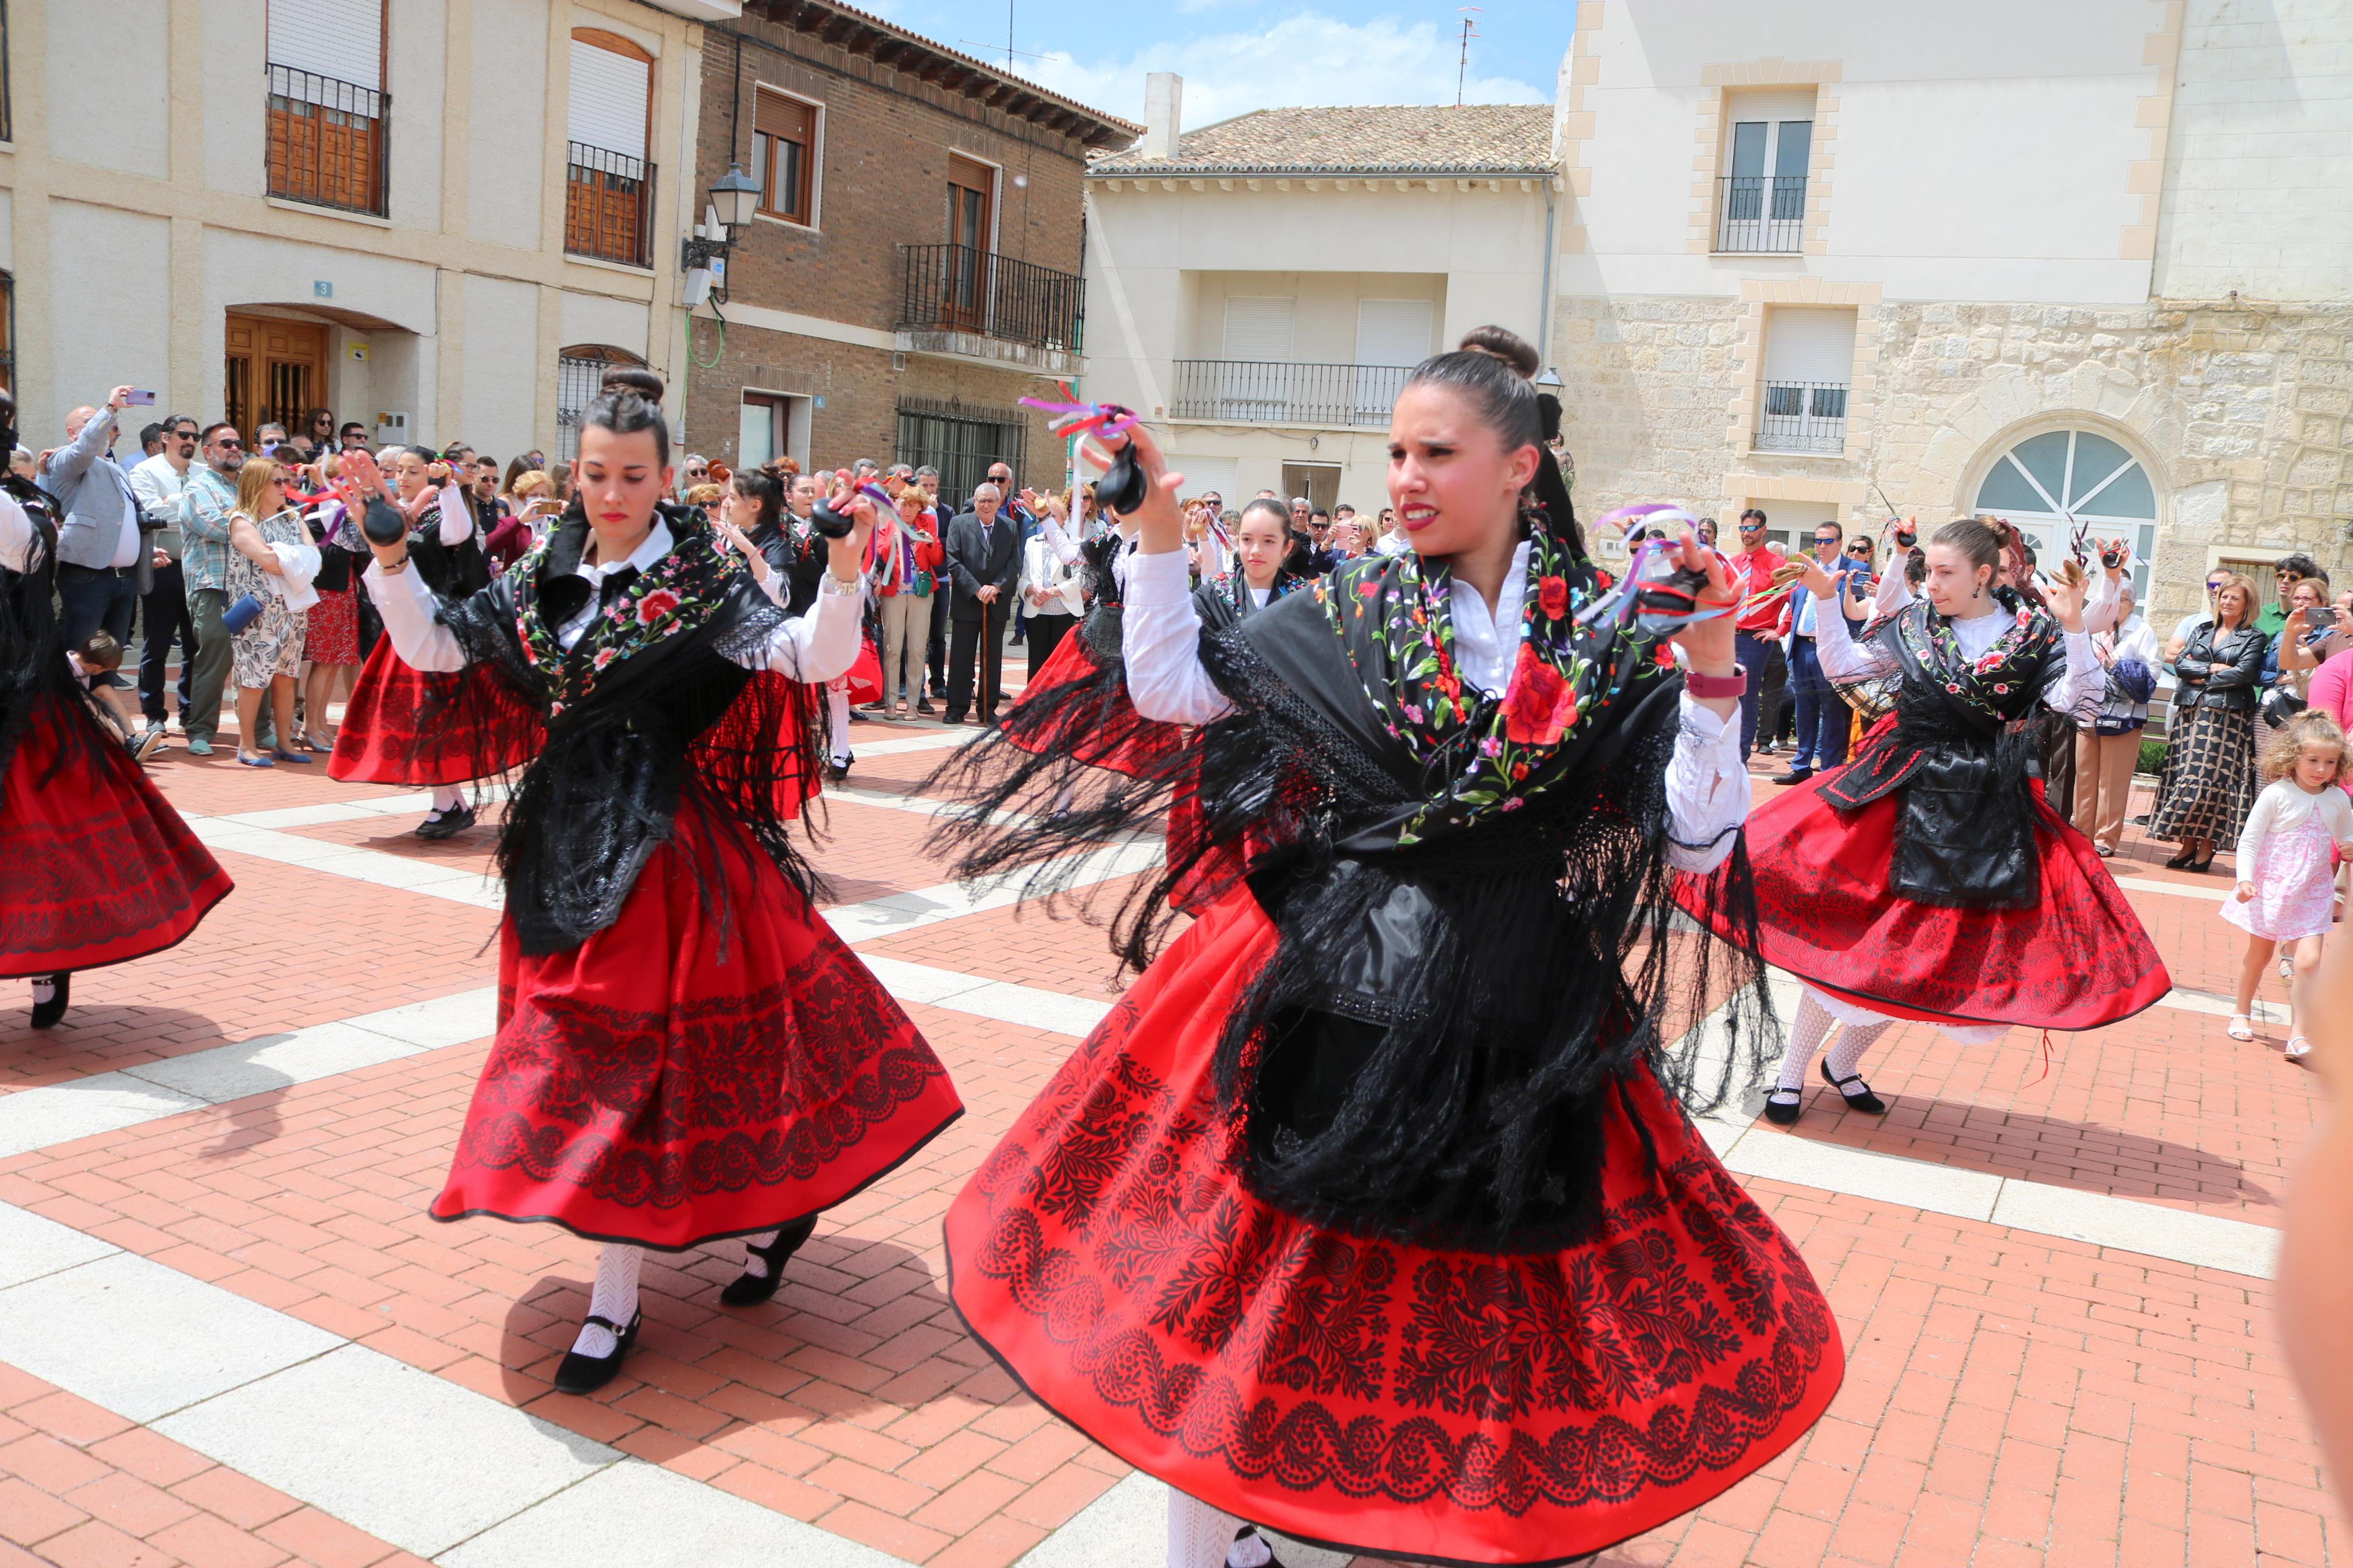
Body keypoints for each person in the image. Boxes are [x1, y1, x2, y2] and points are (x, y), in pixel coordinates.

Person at [935, 328, 1840, 1568]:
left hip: (1512, 1013)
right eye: (1394, 451)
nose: (1404, 476)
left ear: (1522, 465)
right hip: (1329, 985)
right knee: (1231, 1286)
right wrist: (1151, 524)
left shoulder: (1609, 635)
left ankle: (1373, 1514)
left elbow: (1691, 847)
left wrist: (1710, 668)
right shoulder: (1349, 605)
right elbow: (1170, 689)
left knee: (1455, 1314)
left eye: (1435, 452)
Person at [344, 386, 961, 1394]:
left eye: (634, 476)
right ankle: (766, 1215)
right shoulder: (544, 569)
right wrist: (388, 560)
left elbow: (809, 657)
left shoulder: (702, 575)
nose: (612, 493)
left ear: (668, 480)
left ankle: (613, 1299)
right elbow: (436, 647)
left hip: (664, 856)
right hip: (559, 845)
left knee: (617, 1065)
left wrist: (843, 570)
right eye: (595, 474)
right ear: (576, 473)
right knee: (610, 1057)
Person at [1685, 518, 2170, 1126]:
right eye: (1929, 571)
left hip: (1981, 804)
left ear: (1983, 576)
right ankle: (1788, 1077)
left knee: (1918, 958)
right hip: (1897, 794)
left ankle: (1844, 1061)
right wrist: (1826, 598)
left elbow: (2079, 701)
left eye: (1944, 573)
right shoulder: (1914, 624)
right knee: (1852, 949)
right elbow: (1843, 669)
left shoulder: (2034, 633)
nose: (1930, 583)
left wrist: (2074, 627)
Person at [0, 389, 232, 1027]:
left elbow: (22, 555)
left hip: (20, 687)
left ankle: (46, 957)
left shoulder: (26, 502)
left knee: (41, 822)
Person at [327, 450, 492, 837]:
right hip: (403, 629)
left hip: (438, 630)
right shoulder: (393, 514)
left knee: (432, 718)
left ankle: (449, 804)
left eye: (412, 471)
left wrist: (445, 488)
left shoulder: (444, 513)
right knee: (417, 719)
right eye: (399, 470)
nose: (402, 477)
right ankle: (450, 803)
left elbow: (459, 534)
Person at [2221, 710, 2353, 1059]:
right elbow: (2249, 841)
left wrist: (2349, 847)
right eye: (2313, 760)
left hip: (2313, 891)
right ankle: (2241, 1010)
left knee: (2309, 963)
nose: (2321, 769)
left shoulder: (2338, 799)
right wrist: (2245, 880)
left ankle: (2298, 1035)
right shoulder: (2276, 794)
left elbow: (2347, 835)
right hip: (2271, 888)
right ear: (2293, 758)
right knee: (2260, 955)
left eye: (2330, 762)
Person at [40, 390, 161, 733]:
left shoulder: (114, 468)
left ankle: (108, 732)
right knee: (79, 657)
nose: (107, 429)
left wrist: (145, 552)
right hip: (89, 577)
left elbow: (122, 522)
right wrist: (109, 408)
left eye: (110, 426)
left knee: (106, 661)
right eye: (93, 423)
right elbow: (85, 448)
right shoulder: (65, 458)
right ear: (72, 432)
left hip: (122, 578)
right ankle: (70, 729)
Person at [2150, 573, 2266, 872]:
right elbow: (2179, 664)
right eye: (2224, 596)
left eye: (2234, 597)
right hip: (2191, 710)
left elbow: (2244, 673)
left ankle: (2206, 846)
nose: (2227, 601)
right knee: (2184, 774)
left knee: (2212, 781)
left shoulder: (2254, 637)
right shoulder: (2202, 629)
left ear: (2247, 604)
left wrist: (2201, 675)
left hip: (2226, 717)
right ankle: (2187, 844)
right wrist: (2211, 668)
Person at [223, 461, 317, 767]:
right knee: (253, 679)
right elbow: (267, 560)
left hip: (292, 609)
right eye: (276, 481)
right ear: (256, 484)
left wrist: (289, 557)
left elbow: (315, 558)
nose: (283, 487)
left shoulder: (292, 517)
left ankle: (285, 742)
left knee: (287, 677)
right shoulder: (242, 520)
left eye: (285, 481)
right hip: (259, 612)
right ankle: (246, 744)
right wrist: (292, 558)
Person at [178, 424, 252, 756]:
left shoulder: (250, 488)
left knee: (255, 656)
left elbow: (270, 524)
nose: (234, 448)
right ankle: (201, 731)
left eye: (238, 443)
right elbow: (215, 527)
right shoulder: (197, 487)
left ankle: (260, 730)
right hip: (213, 585)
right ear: (208, 451)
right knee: (215, 655)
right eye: (226, 444)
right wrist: (248, 520)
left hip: (251, 587)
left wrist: (240, 517)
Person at [128, 414, 201, 741]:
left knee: (196, 648)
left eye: (195, 437)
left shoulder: (204, 474)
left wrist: (175, 504)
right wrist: (191, 509)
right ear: (165, 437)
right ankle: (155, 716)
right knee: (156, 647)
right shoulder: (146, 471)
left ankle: (190, 713)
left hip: (199, 570)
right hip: (163, 568)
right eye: (184, 435)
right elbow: (154, 517)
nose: (190, 442)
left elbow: (216, 514)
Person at [2072, 581, 2159, 856]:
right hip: (2088, 711)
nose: (2114, 606)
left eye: (2121, 600)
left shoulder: (2142, 631)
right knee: (2084, 777)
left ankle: (2105, 839)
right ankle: (2081, 834)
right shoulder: (2092, 626)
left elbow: (2152, 672)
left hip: (2123, 716)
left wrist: (2117, 666)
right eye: (2110, 600)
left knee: (2113, 781)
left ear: (2132, 604)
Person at [1775, 520, 1864, 786]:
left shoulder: (1855, 570)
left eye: (1828, 541)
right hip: (1803, 647)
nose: (1821, 546)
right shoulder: (1806, 570)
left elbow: (1857, 613)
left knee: (1833, 711)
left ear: (1839, 543)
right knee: (1805, 708)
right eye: (1817, 541)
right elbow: (1796, 604)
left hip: (1832, 650)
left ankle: (1830, 769)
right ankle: (1801, 765)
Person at [296, 456, 363, 752]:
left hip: (343, 586)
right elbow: (351, 542)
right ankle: (310, 727)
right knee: (323, 661)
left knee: (334, 660)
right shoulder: (319, 506)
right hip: (325, 591)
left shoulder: (339, 506)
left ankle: (321, 724)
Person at [945, 481, 1019, 724]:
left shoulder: (1010, 526)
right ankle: (956, 707)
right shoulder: (959, 524)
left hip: (996, 602)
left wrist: (997, 586)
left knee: (992, 659)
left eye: (991, 501)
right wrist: (977, 589)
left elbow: (1014, 563)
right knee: (960, 658)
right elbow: (953, 561)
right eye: (982, 500)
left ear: (999, 503)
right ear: (975, 502)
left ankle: (987, 709)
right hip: (968, 600)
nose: (986, 505)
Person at [1727, 507, 1791, 760]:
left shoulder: (1777, 565)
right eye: (1743, 528)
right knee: (1723, 694)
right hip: (1728, 637)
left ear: (1763, 530)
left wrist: (1779, 630)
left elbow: (1794, 601)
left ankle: (1741, 754)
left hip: (1755, 640)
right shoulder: (1733, 564)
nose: (1747, 534)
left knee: (1747, 694)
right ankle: (1724, 749)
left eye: (1752, 528)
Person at [874, 485, 942, 719]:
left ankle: (912, 703)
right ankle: (891, 702)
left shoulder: (928, 523)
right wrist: (890, 542)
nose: (906, 508)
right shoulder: (889, 522)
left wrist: (930, 542)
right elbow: (880, 555)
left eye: (912, 504)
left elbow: (938, 559)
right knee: (892, 648)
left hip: (920, 592)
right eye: (903, 503)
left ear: (920, 507)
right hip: (894, 591)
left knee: (916, 648)